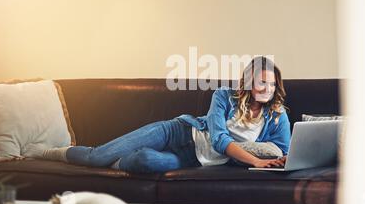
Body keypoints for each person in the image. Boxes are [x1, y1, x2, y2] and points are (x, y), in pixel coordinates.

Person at [33, 56, 291, 173]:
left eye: (271, 84)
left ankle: (110, 162)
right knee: (96, 155)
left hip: (193, 160)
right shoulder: (224, 95)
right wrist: (256, 161)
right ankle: (47, 151)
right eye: (261, 82)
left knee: (146, 161)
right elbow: (219, 140)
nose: (266, 90)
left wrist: (277, 161)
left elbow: (284, 151)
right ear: (247, 81)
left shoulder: (278, 117)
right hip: (178, 132)